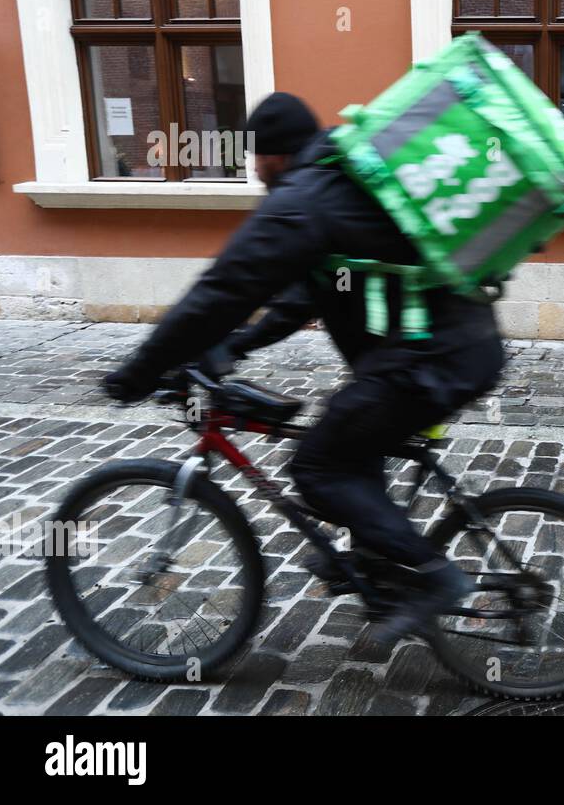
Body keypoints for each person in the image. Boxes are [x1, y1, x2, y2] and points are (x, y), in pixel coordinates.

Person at [103, 92, 505, 625]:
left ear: (273, 153)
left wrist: (138, 373)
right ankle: (372, 559)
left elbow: (224, 287)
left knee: (318, 465)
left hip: (434, 360)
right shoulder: (335, 185)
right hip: (448, 349)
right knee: (351, 431)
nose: (253, 170)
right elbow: (298, 299)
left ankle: (435, 576)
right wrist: (232, 346)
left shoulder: (304, 199)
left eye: (254, 157)